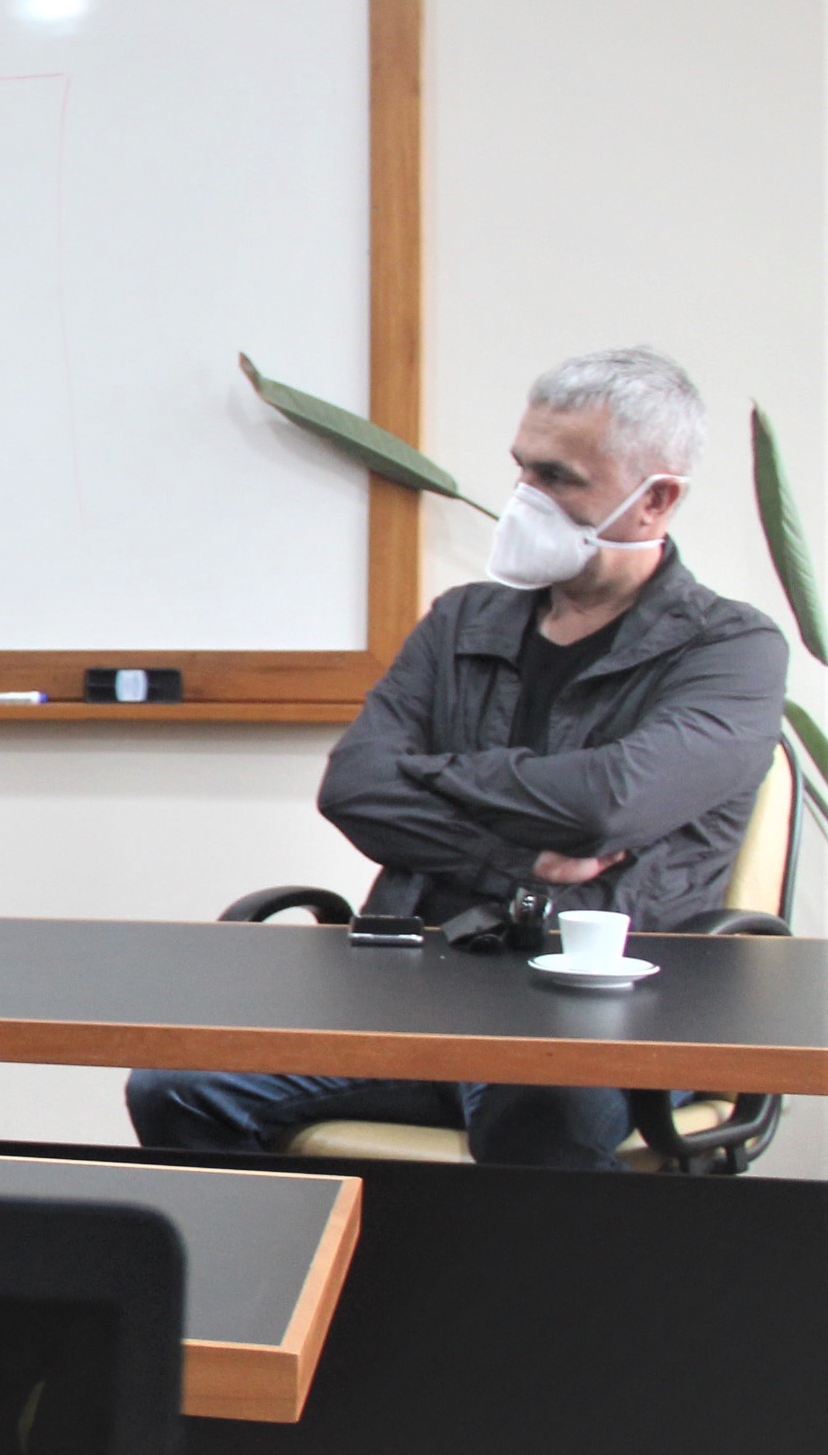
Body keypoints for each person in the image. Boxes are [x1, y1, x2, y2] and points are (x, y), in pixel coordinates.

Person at [128, 347, 787, 1169]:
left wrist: (432, 774)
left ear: (653, 500)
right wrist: (516, 860)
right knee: (175, 1086)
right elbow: (354, 785)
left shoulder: (729, 648)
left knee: (538, 1104)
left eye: (557, 478)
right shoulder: (460, 622)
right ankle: (318, 1257)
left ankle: (495, 1265)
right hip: (419, 988)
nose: (524, 497)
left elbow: (605, 802)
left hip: (611, 1014)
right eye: (522, 468)